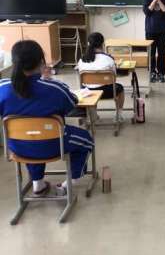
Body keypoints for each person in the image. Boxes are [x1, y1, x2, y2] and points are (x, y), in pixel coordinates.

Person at [0, 40, 94, 196]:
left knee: (31, 135)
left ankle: (38, 184)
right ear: (41, 61)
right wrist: (48, 80)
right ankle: (70, 182)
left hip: (18, 146)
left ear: (14, 62)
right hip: (54, 144)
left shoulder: (2, 87)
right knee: (86, 140)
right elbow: (72, 104)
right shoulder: (54, 88)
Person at [77, 32, 124, 121]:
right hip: (106, 92)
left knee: (87, 86)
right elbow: (113, 78)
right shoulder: (108, 59)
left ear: (88, 44)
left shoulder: (82, 59)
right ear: (102, 44)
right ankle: (119, 115)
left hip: (88, 92)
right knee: (120, 88)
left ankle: (93, 114)